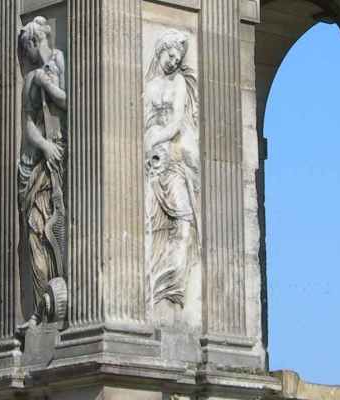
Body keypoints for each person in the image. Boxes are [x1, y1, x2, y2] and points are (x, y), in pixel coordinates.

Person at [144, 30, 200, 311]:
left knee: (184, 217)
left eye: (177, 59)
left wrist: (156, 138)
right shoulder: (150, 85)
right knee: (153, 221)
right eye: (170, 55)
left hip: (173, 151)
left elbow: (177, 121)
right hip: (154, 156)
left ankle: (173, 279)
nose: (173, 62)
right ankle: (156, 279)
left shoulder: (178, 82)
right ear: (160, 51)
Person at [17, 16, 67, 330]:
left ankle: (46, 304)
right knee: (38, 230)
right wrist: (46, 148)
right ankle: (41, 305)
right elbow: (29, 125)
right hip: (39, 163)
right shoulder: (34, 77)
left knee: (50, 228)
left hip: (53, 163)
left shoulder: (53, 65)